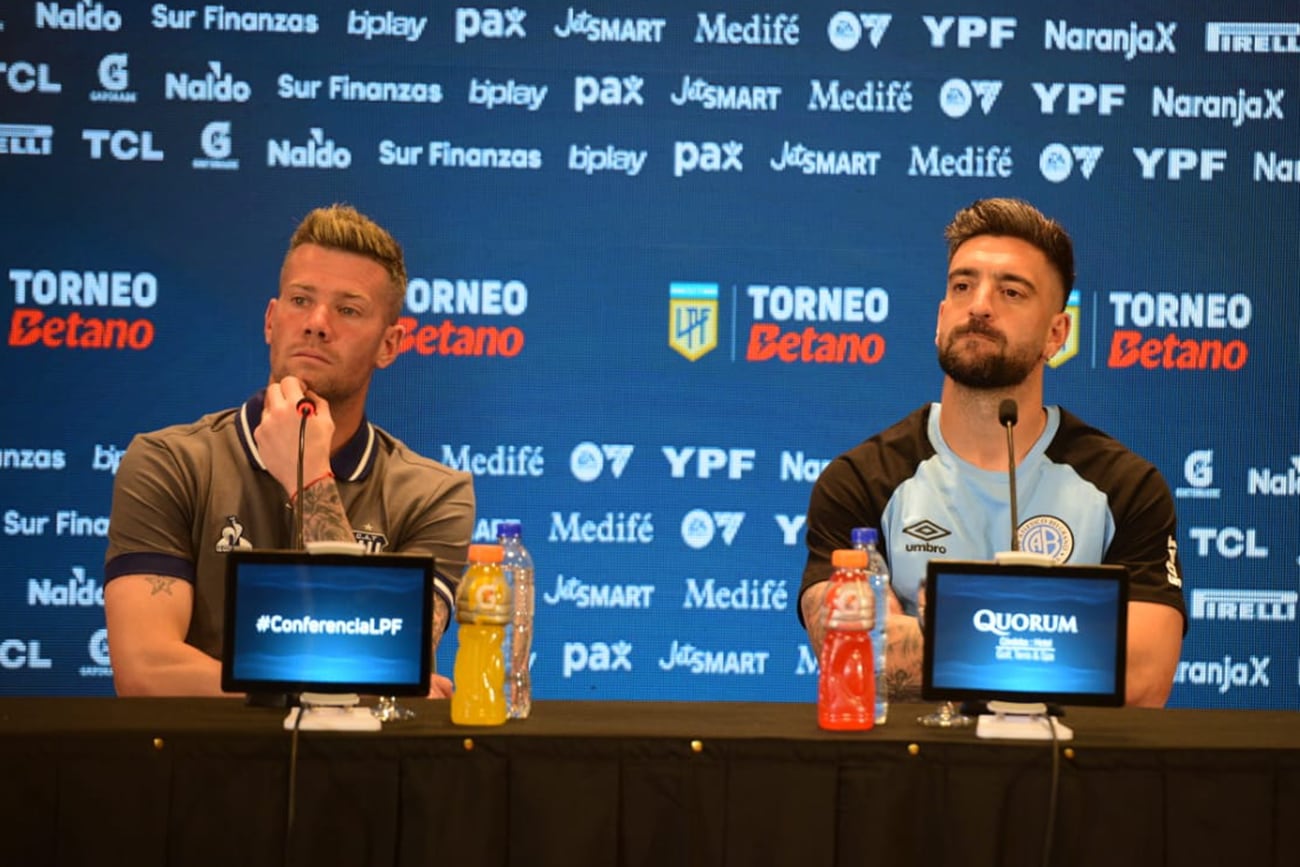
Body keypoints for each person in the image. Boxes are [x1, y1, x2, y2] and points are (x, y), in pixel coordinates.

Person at [798, 198, 1186, 708]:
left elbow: (1142, 681)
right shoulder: (862, 480)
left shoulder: (1124, 488)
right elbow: (854, 660)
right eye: (963, 285)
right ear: (940, 318)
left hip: (1063, 780)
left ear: (1057, 333)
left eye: (1010, 291)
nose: (979, 305)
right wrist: (1053, 633)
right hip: (910, 780)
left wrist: (950, 628)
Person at [104, 204, 475, 697]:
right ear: (271, 321)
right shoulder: (167, 463)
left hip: (358, 772)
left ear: (390, 345)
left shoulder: (435, 496)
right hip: (202, 767)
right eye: (301, 300)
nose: (317, 323)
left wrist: (310, 481)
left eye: (348, 309)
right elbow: (145, 672)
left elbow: (380, 659)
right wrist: (327, 688)